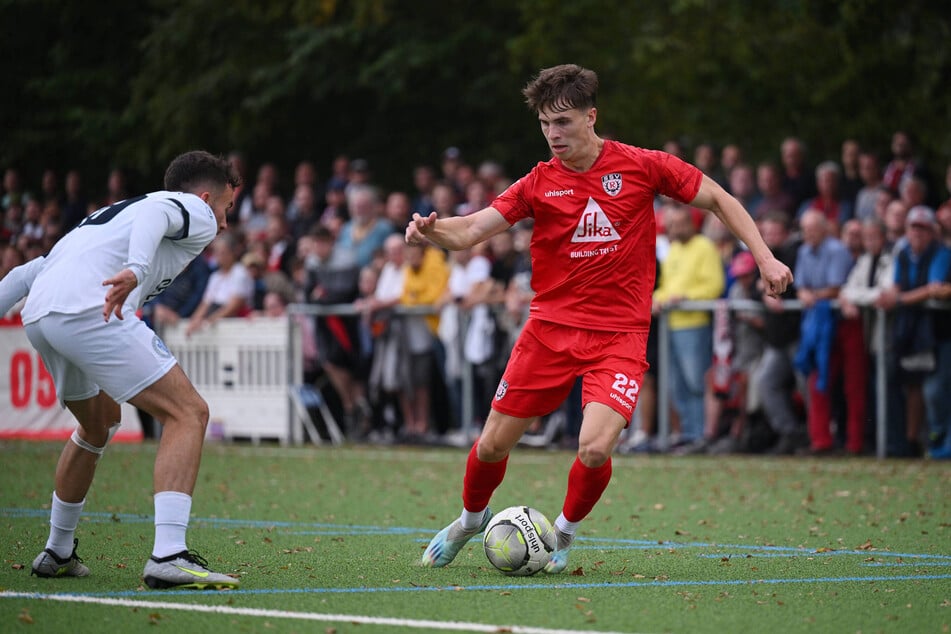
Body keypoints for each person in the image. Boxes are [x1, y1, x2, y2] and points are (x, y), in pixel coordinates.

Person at [406, 65, 792, 573]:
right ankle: (469, 521)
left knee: (593, 447)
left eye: (563, 122)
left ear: (592, 117)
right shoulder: (538, 183)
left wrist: (765, 257)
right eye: (545, 124)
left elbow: (718, 198)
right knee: (493, 442)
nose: (553, 134)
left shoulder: (640, 166)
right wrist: (432, 231)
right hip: (549, 330)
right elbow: (473, 228)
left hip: (620, 335)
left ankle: (562, 535)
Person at [0, 150, 241, 589]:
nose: (224, 223)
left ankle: (58, 549)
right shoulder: (193, 209)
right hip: (91, 308)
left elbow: (25, 273)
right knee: (188, 413)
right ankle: (169, 554)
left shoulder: (107, 218)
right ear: (208, 197)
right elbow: (157, 215)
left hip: (41, 317)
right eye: (227, 208)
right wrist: (137, 269)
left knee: (99, 425)